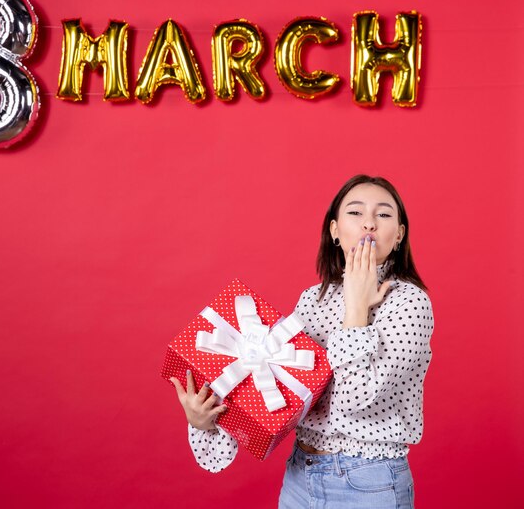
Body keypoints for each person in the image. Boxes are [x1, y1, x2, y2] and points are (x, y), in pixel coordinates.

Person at [170, 174, 433, 509]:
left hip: (369, 483)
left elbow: (355, 398)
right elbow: (281, 396)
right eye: (355, 213)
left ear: (398, 235)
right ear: (335, 231)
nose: (369, 223)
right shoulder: (314, 300)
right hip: (300, 477)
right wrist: (207, 420)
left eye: (383, 214)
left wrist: (356, 308)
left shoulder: (410, 303)